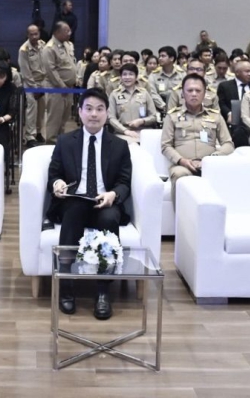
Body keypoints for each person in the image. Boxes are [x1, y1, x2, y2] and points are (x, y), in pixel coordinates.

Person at [47, 89, 132, 320]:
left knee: (109, 219)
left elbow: (124, 182)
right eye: (89, 108)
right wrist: (57, 183)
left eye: (99, 109)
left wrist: (113, 194)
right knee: (74, 211)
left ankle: (103, 291)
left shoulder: (119, 145)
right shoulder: (65, 141)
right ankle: (66, 285)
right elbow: (54, 174)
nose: (94, 114)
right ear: (80, 111)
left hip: (105, 201)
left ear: (107, 113)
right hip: (74, 200)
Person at [162, 74, 234, 207]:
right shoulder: (172, 116)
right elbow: (166, 146)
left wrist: (212, 159)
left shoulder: (215, 116)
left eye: (198, 90)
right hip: (183, 166)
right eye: (190, 90)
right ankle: (182, 217)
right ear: (183, 93)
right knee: (178, 174)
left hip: (210, 165)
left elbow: (228, 144)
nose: (194, 94)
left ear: (204, 93)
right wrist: (182, 161)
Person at [41, 22, 76, 144]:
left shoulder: (67, 45)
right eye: (66, 31)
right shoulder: (49, 48)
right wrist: (62, 86)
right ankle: (51, 144)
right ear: (57, 32)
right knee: (55, 119)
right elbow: (51, 71)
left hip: (68, 88)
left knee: (64, 118)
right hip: (56, 89)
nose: (70, 33)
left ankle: (61, 143)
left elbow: (70, 64)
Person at [108, 63, 157, 144]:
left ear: (136, 77)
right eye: (124, 74)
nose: (127, 77)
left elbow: (154, 116)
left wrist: (142, 121)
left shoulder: (144, 93)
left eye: (131, 74)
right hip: (122, 133)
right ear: (120, 77)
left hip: (144, 132)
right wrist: (125, 131)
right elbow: (111, 118)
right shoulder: (114, 94)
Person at [18, 24, 46, 148]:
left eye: (36, 34)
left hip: (43, 82)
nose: (34, 36)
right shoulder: (24, 50)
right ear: (27, 35)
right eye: (31, 34)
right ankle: (30, 136)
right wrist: (34, 87)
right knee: (32, 110)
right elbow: (25, 71)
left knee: (42, 110)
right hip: (30, 83)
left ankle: (38, 132)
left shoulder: (43, 45)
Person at [217, 59, 250, 144]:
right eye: (247, 71)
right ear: (237, 72)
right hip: (233, 122)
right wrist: (229, 113)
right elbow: (221, 104)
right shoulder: (225, 86)